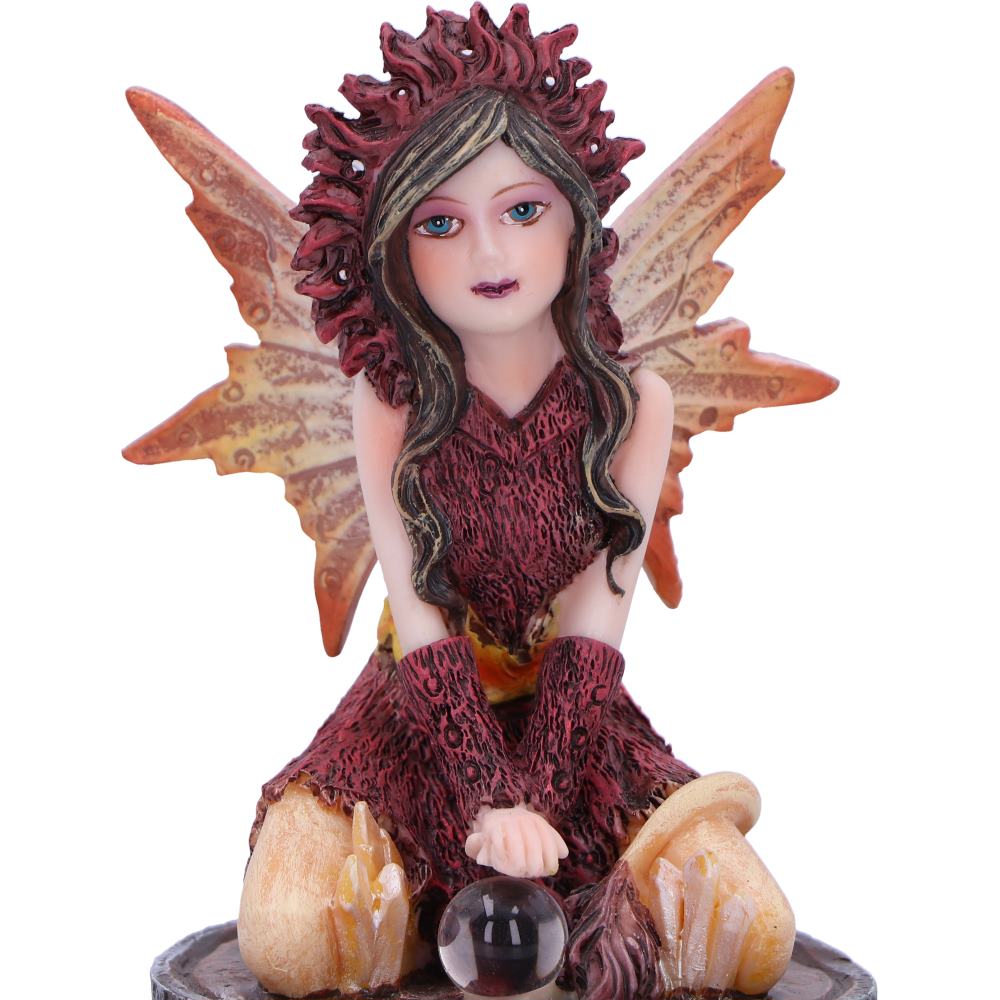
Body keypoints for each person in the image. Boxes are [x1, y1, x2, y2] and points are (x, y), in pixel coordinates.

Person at [236, 8, 794, 998]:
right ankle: (416, 908)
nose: (487, 251)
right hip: (416, 717)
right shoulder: (389, 402)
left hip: (574, 724)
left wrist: (537, 803)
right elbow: (418, 612)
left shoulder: (633, 404)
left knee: (751, 935)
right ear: (395, 252)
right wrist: (485, 799)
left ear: (576, 217)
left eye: (523, 210)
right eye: (440, 223)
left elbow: (594, 624)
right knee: (288, 944)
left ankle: (579, 913)